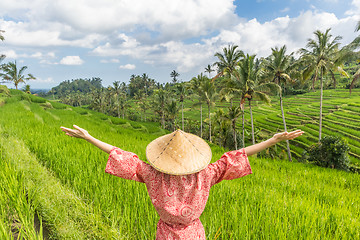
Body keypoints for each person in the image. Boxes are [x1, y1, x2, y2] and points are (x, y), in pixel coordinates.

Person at [61, 125, 304, 239]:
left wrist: (90, 138)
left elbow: (122, 155)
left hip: (165, 234)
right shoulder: (205, 174)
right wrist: (271, 141)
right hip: (195, 234)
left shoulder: (153, 175)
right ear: (193, 158)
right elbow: (236, 156)